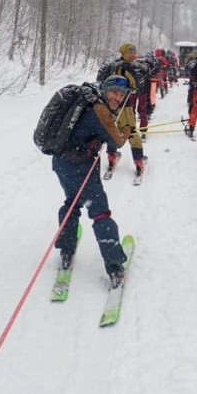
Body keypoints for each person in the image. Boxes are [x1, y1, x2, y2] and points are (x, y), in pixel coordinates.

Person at [52, 75, 131, 286]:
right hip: (80, 167)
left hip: (61, 163)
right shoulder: (100, 110)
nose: (117, 98)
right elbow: (117, 140)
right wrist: (125, 130)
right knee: (100, 213)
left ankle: (66, 249)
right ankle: (114, 266)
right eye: (114, 92)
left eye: (121, 95)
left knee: (72, 202)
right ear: (105, 90)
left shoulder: (87, 101)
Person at [107, 42, 145, 179]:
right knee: (132, 132)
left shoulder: (113, 65)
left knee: (112, 130)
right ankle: (139, 162)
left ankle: (111, 157)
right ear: (124, 52)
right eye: (131, 52)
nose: (133, 54)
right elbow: (136, 86)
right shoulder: (127, 67)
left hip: (110, 105)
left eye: (134, 51)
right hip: (125, 105)